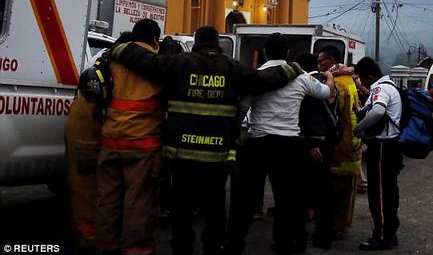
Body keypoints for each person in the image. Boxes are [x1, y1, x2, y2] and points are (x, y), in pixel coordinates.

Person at [111, 26, 301, 255]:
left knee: (182, 211)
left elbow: (146, 62)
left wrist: (119, 48)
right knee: (215, 211)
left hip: (181, 157)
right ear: (217, 43)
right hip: (216, 160)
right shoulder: (232, 68)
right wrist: (294, 68)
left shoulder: (178, 64)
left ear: (197, 42)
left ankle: (182, 250)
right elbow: (262, 79)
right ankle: (212, 248)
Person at [226, 34, 335, 255]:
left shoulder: (256, 77)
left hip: (257, 142)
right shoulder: (302, 78)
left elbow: (242, 108)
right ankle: (285, 244)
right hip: (289, 145)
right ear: (287, 53)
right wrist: (330, 77)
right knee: (288, 200)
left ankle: (234, 243)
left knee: (243, 199)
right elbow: (326, 93)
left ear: (265, 52)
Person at [95, 19, 164, 255]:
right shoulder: (156, 66)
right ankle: (136, 249)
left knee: (108, 198)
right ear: (155, 40)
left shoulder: (111, 60)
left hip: (110, 139)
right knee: (138, 200)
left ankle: (106, 245)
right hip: (142, 143)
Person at [65, 31, 131, 254]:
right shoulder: (107, 73)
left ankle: (91, 237)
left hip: (86, 134)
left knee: (91, 191)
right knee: (87, 192)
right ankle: (89, 240)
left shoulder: (101, 67)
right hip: (87, 137)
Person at [353, 57, 403, 251]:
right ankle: (390, 233)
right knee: (389, 192)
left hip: (382, 146)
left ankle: (381, 236)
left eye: (362, 79)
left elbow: (378, 112)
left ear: (370, 76)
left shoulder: (380, 88)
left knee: (379, 193)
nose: (363, 83)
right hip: (392, 145)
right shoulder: (391, 86)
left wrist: (359, 128)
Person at [317, 46, 363, 239]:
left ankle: (336, 226)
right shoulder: (349, 80)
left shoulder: (337, 84)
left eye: (321, 61)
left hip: (340, 144)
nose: (319, 65)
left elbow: (332, 115)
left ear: (331, 60)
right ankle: (343, 224)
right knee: (347, 188)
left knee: (338, 188)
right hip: (353, 140)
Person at [296, 53, 339, 249]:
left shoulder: (307, 84)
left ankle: (301, 238)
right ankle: (325, 236)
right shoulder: (330, 81)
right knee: (325, 192)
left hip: (314, 143)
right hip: (329, 141)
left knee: (304, 191)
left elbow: (308, 115)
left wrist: (312, 144)